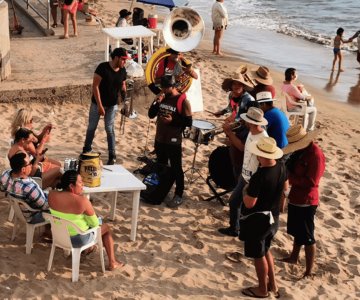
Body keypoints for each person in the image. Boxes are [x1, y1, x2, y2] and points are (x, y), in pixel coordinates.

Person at [241, 137, 287, 298]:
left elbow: (249, 204)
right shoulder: (281, 166)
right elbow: (285, 188)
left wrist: (245, 191)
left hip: (259, 221)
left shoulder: (259, 176)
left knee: (258, 255)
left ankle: (262, 289)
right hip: (273, 217)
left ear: (260, 155)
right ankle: (272, 284)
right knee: (266, 250)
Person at [48, 170, 123, 270]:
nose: (83, 184)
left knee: (87, 223)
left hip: (59, 236)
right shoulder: (82, 200)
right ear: (71, 186)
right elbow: (95, 224)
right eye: (80, 182)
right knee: (106, 228)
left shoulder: (51, 195)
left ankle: (88, 249)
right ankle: (113, 262)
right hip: (78, 239)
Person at [280, 125, 325, 278]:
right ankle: (294, 257)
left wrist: (290, 179)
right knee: (297, 231)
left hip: (307, 200)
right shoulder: (300, 152)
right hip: (296, 196)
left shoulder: (315, 155)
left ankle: (308, 271)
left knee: (307, 236)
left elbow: (312, 182)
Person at [218, 107, 268, 237]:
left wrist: (230, 133)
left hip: (252, 179)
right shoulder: (252, 132)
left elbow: (263, 163)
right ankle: (236, 228)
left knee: (242, 205)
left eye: (246, 120)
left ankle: (238, 229)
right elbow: (244, 148)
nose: (244, 122)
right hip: (245, 174)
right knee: (236, 202)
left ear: (251, 122)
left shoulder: (262, 139)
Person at [148, 76, 192, 208]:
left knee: (176, 168)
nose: (163, 90)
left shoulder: (182, 101)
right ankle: (161, 191)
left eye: (166, 88)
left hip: (173, 141)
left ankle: (178, 194)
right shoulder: (162, 97)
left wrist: (172, 121)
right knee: (161, 165)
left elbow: (188, 122)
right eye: (162, 88)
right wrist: (156, 102)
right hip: (160, 138)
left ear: (173, 87)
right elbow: (151, 115)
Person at [83, 47, 129, 165]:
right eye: (123, 59)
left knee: (109, 129)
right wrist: (99, 105)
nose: (125, 62)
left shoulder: (123, 70)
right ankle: (86, 148)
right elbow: (95, 86)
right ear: (117, 58)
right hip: (97, 103)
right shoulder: (102, 68)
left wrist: (125, 101)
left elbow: (123, 85)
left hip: (112, 105)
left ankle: (112, 154)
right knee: (92, 127)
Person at [0, 152, 49, 224]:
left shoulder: (5, 174)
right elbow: (45, 206)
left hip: (19, 212)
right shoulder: (29, 186)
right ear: (23, 169)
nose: (31, 165)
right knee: (58, 209)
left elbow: (2, 188)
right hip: (31, 216)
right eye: (30, 163)